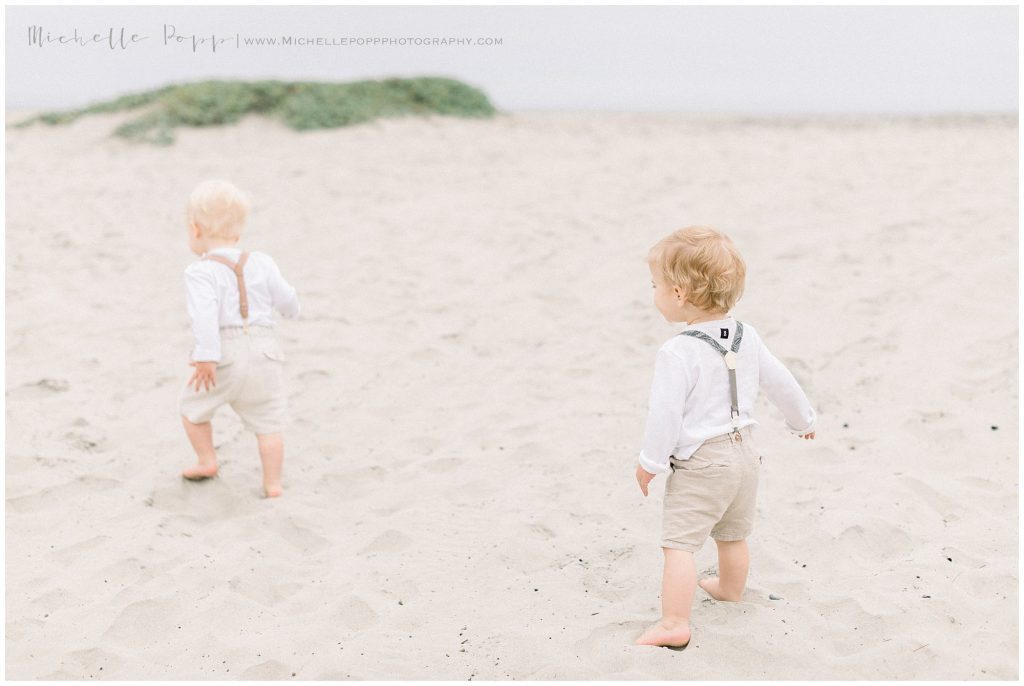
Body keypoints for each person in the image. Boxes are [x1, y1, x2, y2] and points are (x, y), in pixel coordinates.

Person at [634, 226, 816, 649]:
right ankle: (731, 589)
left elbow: (664, 414)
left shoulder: (677, 351)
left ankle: (674, 622)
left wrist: (651, 462)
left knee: (679, 544)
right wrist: (801, 419)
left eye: (655, 285)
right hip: (744, 454)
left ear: (678, 294)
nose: (654, 293)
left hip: (702, 462)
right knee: (732, 533)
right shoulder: (746, 335)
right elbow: (780, 381)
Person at [177, 179, 300, 498]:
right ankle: (273, 484)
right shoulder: (262, 261)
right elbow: (287, 299)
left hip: (224, 352)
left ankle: (206, 460)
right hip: (265, 349)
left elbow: (204, 316)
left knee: (192, 408)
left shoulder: (200, 272)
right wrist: (291, 310)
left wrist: (206, 356)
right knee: (268, 420)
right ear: (238, 232)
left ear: (195, 229)